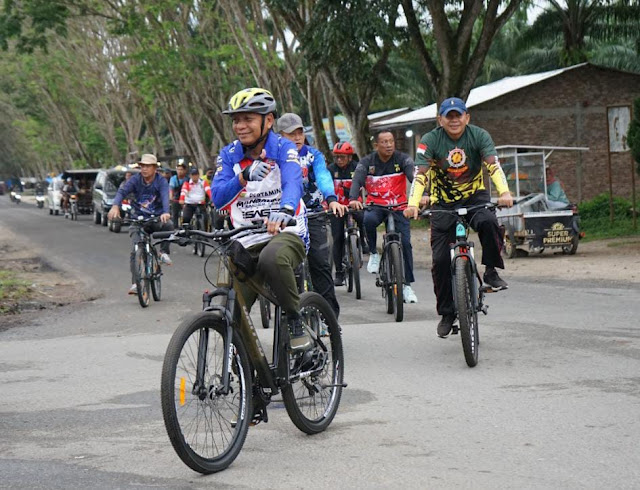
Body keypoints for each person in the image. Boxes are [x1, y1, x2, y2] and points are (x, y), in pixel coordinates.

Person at [211, 87, 311, 351]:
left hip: (285, 233)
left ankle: (294, 318)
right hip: (246, 240)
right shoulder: (229, 154)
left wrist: (286, 209)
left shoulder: (283, 147)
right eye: (236, 120)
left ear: (268, 120)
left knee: (272, 258)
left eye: (248, 119)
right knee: (228, 310)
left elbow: (292, 181)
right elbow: (218, 198)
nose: (240, 126)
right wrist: (242, 177)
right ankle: (252, 381)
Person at [405, 97, 513, 338]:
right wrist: (413, 204)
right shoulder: (430, 140)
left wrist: (504, 192)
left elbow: (493, 166)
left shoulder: (479, 136)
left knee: (488, 222)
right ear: (440, 120)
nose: (454, 120)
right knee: (441, 260)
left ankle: (491, 271)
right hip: (442, 202)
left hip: (475, 196)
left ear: (467, 117)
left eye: (458, 115)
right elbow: (420, 174)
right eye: (448, 116)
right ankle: (446, 313)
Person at [276, 113, 345, 318]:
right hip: (286, 218)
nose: (297, 138)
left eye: (300, 133)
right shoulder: (273, 157)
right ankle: (291, 317)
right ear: (280, 136)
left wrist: (331, 198)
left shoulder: (314, 155)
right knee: (287, 269)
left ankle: (330, 318)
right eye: (291, 134)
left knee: (320, 265)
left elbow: (323, 176)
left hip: (314, 214)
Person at [349, 130, 418, 304]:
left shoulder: (403, 159)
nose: (388, 145)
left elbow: (414, 176)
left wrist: (420, 196)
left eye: (391, 141)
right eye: (384, 142)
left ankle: (407, 286)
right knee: (368, 220)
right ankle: (373, 253)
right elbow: (357, 180)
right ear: (376, 145)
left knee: (406, 244)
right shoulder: (367, 162)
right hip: (376, 206)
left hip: (400, 206)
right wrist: (353, 199)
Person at [108, 153, 174, 295]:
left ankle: (163, 253)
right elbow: (122, 191)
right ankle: (135, 283)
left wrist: (165, 212)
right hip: (138, 220)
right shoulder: (134, 180)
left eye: (147, 166)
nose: (144, 169)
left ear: (155, 168)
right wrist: (115, 206)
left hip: (156, 218)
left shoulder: (161, 181)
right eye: (142, 166)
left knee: (169, 225)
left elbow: (164, 196)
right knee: (135, 250)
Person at [328, 141, 369, 286]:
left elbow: (367, 185)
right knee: (337, 238)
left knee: (363, 217)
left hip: (354, 205)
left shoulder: (357, 168)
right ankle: (339, 272)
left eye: (343, 157)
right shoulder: (330, 170)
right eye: (337, 157)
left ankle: (364, 241)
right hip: (337, 208)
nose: (339, 160)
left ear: (350, 157)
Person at [169, 162, 187, 227]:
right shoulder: (173, 179)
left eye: (181, 169)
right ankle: (175, 228)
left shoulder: (187, 179)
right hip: (176, 198)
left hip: (186, 199)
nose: (179, 171)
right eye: (178, 169)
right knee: (175, 214)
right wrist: (171, 197)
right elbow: (171, 189)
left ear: (185, 171)